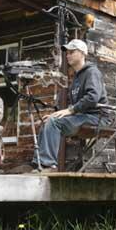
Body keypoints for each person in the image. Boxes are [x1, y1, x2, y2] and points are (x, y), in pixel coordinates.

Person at [34, 39, 109, 170]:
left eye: (72, 52)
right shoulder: (76, 77)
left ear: (82, 53)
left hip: (97, 118)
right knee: (48, 121)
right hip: (84, 116)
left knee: (54, 122)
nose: (68, 55)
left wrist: (70, 111)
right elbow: (76, 106)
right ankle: (39, 162)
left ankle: (48, 164)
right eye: (67, 52)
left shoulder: (92, 72)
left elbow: (93, 98)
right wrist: (57, 114)